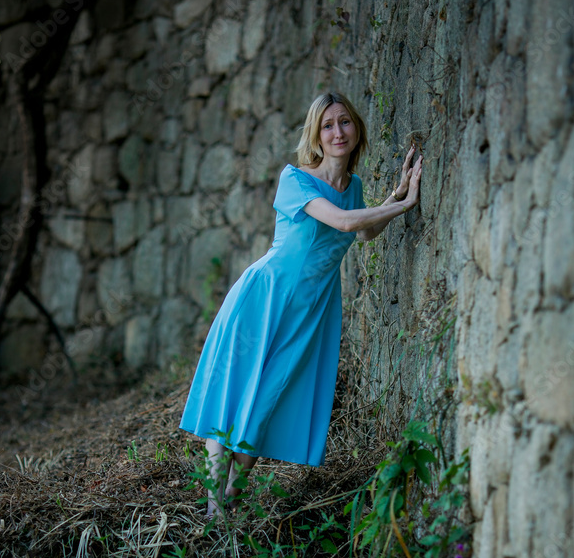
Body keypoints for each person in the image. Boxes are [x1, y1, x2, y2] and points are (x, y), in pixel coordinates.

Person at [179, 90, 423, 517]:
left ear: (356, 128)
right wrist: (403, 205)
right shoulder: (295, 179)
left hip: (309, 313)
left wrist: (395, 195)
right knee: (234, 394)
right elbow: (345, 222)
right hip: (265, 298)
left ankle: (227, 505)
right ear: (315, 135)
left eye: (344, 122)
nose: (337, 132)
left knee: (269, 401)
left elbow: (363, 232)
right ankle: (216, 510)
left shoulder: (355, 188)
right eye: (327, 125)